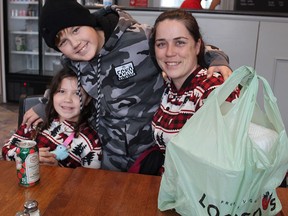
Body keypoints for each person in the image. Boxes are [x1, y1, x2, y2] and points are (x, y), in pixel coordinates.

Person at [23, 0, 232, 172]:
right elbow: (64, 79)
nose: (74, 43)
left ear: (90, 22)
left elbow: (185, 47)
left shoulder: (140, 37)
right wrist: (44, 105)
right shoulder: (73, 59)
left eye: (76, 30)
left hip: (150, 152)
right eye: (63, 42)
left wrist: (217, 61)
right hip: (108, 153)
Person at [150, 9, 239, 173]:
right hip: (171, 185)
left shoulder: (213, 89)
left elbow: (221, 168)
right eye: (161, 44)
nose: (169, 52)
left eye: (180, 42)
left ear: (197, 46)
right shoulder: (169, 85)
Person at [2, 67, 102, 169]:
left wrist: (57, 169)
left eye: (77, 93)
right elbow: (6, 150)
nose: (68, 99)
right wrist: (25, 155)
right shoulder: (36, 122)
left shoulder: (91, 142)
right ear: (52, 95)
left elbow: (89, 180)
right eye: (61, 91)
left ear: (87, 99)